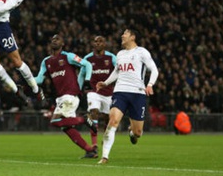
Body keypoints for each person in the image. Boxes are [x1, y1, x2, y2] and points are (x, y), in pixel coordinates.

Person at [96, 28, 159, 164]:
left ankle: (132, 133)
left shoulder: (142, 52)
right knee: (112, 121)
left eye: (125, 33)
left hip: (137, 93)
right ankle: (105, 157)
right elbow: (117, 71)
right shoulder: (120, 54)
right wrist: (105, 83)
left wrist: (150, 84)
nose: (122, 35)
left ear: (133, 37)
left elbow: (154, 69)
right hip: (120, 92)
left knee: (138, 133)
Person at [35, 34, 98, 158]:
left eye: (57, 39)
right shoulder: (46, 61)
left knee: (55, 121)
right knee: (66, 127)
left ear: (62, 43)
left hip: (70, 95)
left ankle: (84, 119)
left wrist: (87, 80)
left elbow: (87, 65)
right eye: (52, 39)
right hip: (61, 98)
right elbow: (39, 80)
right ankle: (89, 150)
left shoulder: (68, 56)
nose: (54, 40)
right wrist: (25, 80)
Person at [79, 36, 117, 149]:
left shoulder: (111, 57)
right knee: (94, 112)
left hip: (108, 93)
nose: (98, 43)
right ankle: (94, 144)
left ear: (105, 44)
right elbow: (81, 74)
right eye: (95, 41)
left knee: (107, 118)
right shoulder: (87, 58)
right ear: (93, 44)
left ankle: (105, 139)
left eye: (101, 41)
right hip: (93, 91)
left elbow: (119, 70)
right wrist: (77, 89)